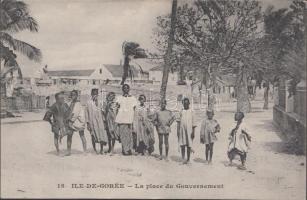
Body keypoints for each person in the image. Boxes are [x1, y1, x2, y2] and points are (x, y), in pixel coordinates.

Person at [43, 92, 72, 156]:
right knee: (56, 137)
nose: (63, 99)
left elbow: (70, 113)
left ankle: (69, 150)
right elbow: (47, 116)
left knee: (70, 134)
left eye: (63, 98)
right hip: (56, 124)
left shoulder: (65, 105)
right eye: (61, 98)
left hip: (64, 123)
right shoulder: (54, 106)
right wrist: (51, 123)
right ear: (57, 99)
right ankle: (58, 151)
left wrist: (68, 120)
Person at [115, 84, 138, 155]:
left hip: (130, 119)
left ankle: (129, 149)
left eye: (127, 88)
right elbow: (117, 108)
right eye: (124, 88)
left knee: (129, 136)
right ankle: (124, 150)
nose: (126, 90)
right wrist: (117, 118)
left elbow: (135, 109)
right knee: (123, 136)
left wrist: (134, 119)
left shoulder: (133, 98)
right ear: (122, 89)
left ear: (129, 89)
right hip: (122, 119)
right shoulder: (119, 98)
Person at [85, 88, 108, 154]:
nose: (95, 95)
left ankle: (101, 149)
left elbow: (103, 111)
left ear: (97, 94)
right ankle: (94, 149)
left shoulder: (100, 102)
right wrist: (88, 123)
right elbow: (86, 113)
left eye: (96, 94)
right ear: (91, 94)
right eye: (93, 94)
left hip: (100, 121)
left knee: (101, 135)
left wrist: (99, 104)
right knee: (93, 135)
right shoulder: (88, 102)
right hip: (92, 121)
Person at [177, 97, 197, 164]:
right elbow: (178, 122)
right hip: (182, 131)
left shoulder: (192, 111)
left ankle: (188, 160)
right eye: (184, 104)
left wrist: (193, 132)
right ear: (183, 104)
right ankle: (183, 159)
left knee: (189, 145)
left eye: (187, 103)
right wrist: (178, 131)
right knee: (182, 144)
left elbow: (194, 123)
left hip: (189, 131)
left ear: (189, 103)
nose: (185, 105)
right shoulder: (181, 111)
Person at [67, 90, 87, 154]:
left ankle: (85, 151)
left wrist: (70, 121)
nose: (73, 96)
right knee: (69, 136)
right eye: (72, 95)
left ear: (77, 96)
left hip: (78, 121)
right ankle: (68, 151)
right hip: (72, 121)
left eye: (74, 95)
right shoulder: (70, 103)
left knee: (82, 135)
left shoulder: (78, 104)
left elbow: (75, 114)